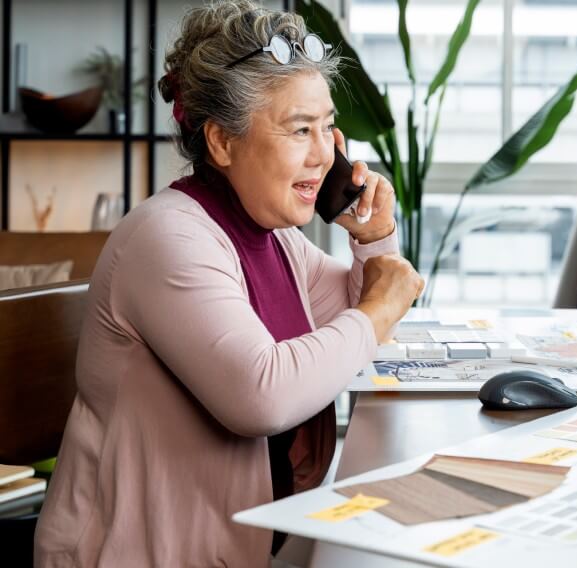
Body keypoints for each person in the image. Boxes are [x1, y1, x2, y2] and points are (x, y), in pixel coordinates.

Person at [34, 1, 423, 566]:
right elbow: (262, 394)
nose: (324, 154)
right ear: (221, 142)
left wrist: (374, 235)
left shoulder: (269, 232)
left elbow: (353, 317)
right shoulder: (168, 237)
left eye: (328, 127)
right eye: (299, 130)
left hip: (235, 547)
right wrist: (377, 308)